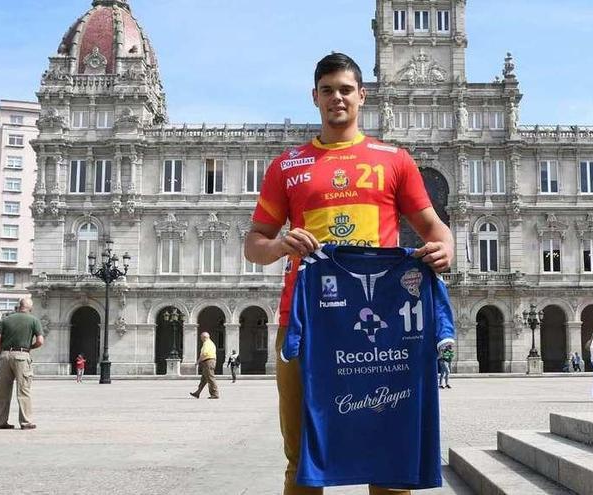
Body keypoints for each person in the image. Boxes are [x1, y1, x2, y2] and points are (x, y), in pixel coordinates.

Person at [244, 52, 454, 495]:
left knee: (389, 450)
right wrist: (282, 243)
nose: (336, 97)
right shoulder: (287, 166)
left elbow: (434, 228)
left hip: (384, 327)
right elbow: (254, 243)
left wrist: (444, 249)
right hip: (306, 323)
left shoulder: (394, 160)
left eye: (345, 89)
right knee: (301, 456)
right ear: (314, 97)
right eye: (327, 90)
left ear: (362, 95)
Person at [0, 297, 44, 430]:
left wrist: (0, 352)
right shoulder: (33, 320)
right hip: (22, 355)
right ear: (30, 308)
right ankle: (26, 422)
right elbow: (40, 341)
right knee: (23, 390)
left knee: (2, 391)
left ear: (18, 306)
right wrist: (29, 348)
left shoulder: (5, 319)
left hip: (4, 356)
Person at [190, 332, 219, 399]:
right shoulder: (210, 343)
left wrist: (198, 361)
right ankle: (197, 392)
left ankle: (215, 394)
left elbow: (204, 354)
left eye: (201, 337)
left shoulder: (207, 343)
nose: (201, 338)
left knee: (210, 378)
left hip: (208, 362)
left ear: (204, 337)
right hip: (209, 361)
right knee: (203, 379)